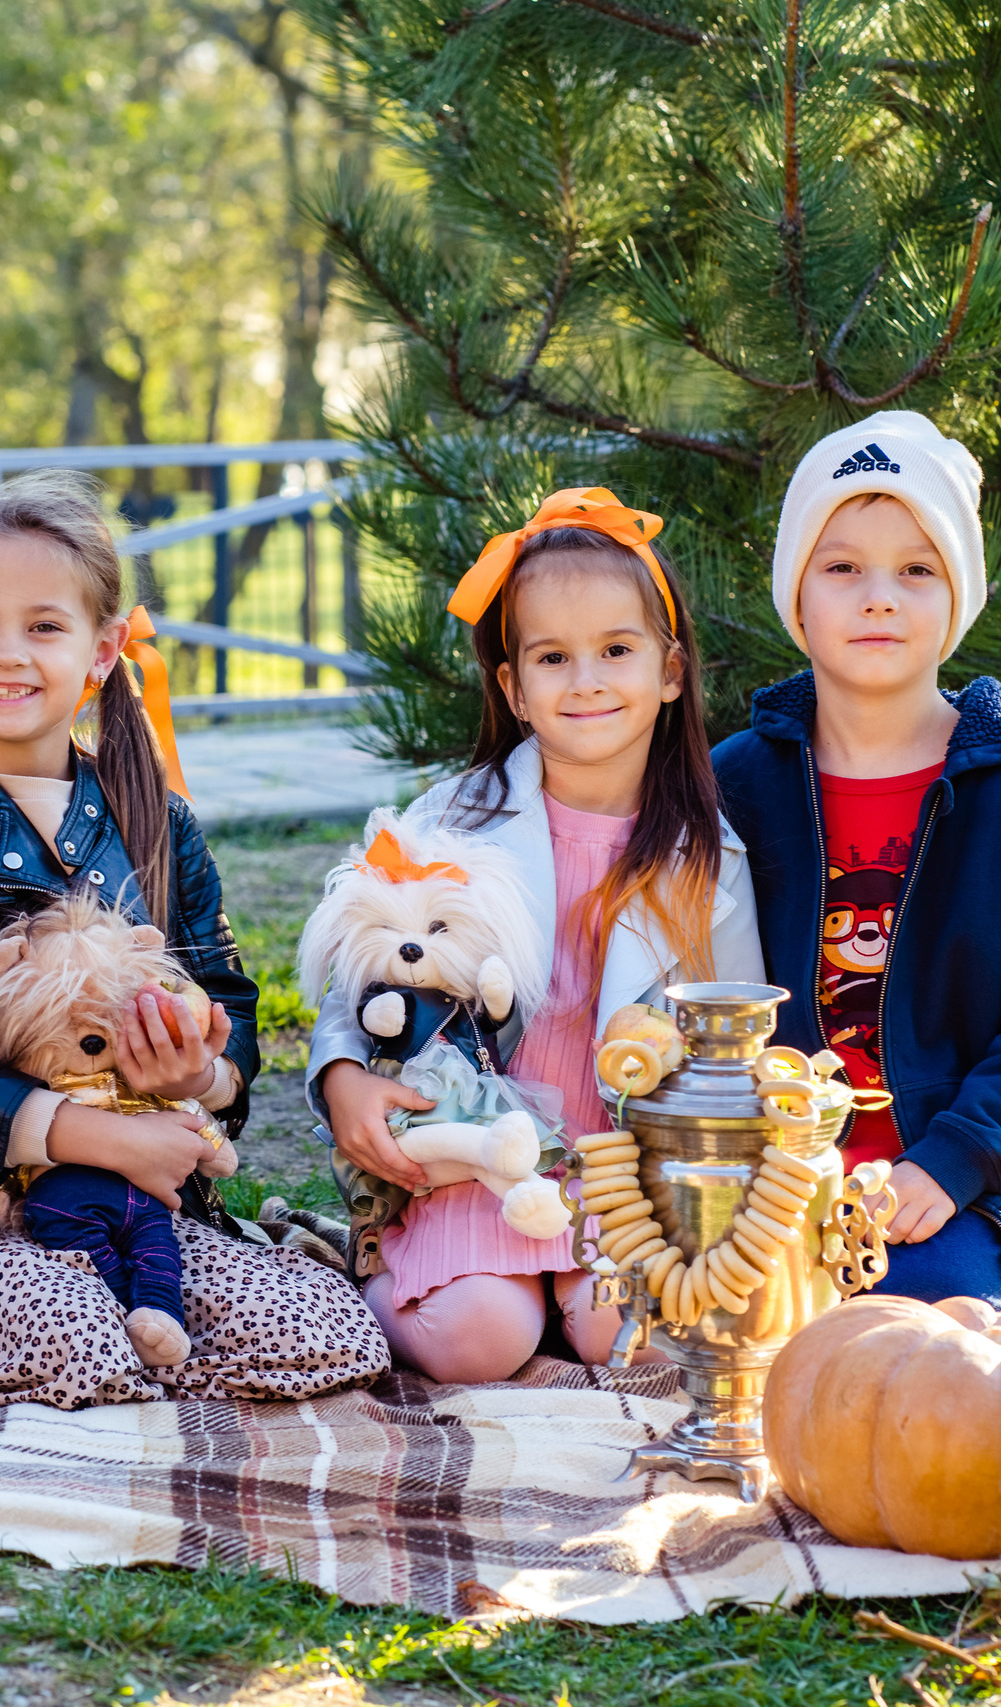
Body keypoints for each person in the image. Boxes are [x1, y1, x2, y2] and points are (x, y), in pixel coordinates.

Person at [0, 467, 388, 1409]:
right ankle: (20, 1333)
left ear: (103, 648)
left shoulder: (156, 818)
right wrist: (93, 1136)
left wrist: (201, 1077)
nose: (9, 654)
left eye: (45, 626)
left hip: (145, 1214)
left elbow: (233, 1009)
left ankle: (151, 1336)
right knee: (75, 1344)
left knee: (334, 1333)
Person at [311, 489, 764, 1383]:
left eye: (616, 650)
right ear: (514, 687)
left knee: (617, 1335)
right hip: (474, 1149)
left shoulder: (710, 860)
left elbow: (734, 1038)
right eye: (553, 656)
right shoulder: (456, 819)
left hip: (617, 1168)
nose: (586, 679)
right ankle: (383, 1283)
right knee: (483, 1340)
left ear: (671, 670)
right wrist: (342, 1077)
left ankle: (560, 1293)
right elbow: (359, 970)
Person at [710, 411, 1001, 1306]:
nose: (879, 596)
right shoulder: (738, 782)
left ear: (957, 597)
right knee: (714, 1308)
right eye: (844, 566)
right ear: (797, 596)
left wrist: (952, 1161)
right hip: (782, 1170)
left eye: (917, 569)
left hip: (960, 1174)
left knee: (919, 1311)